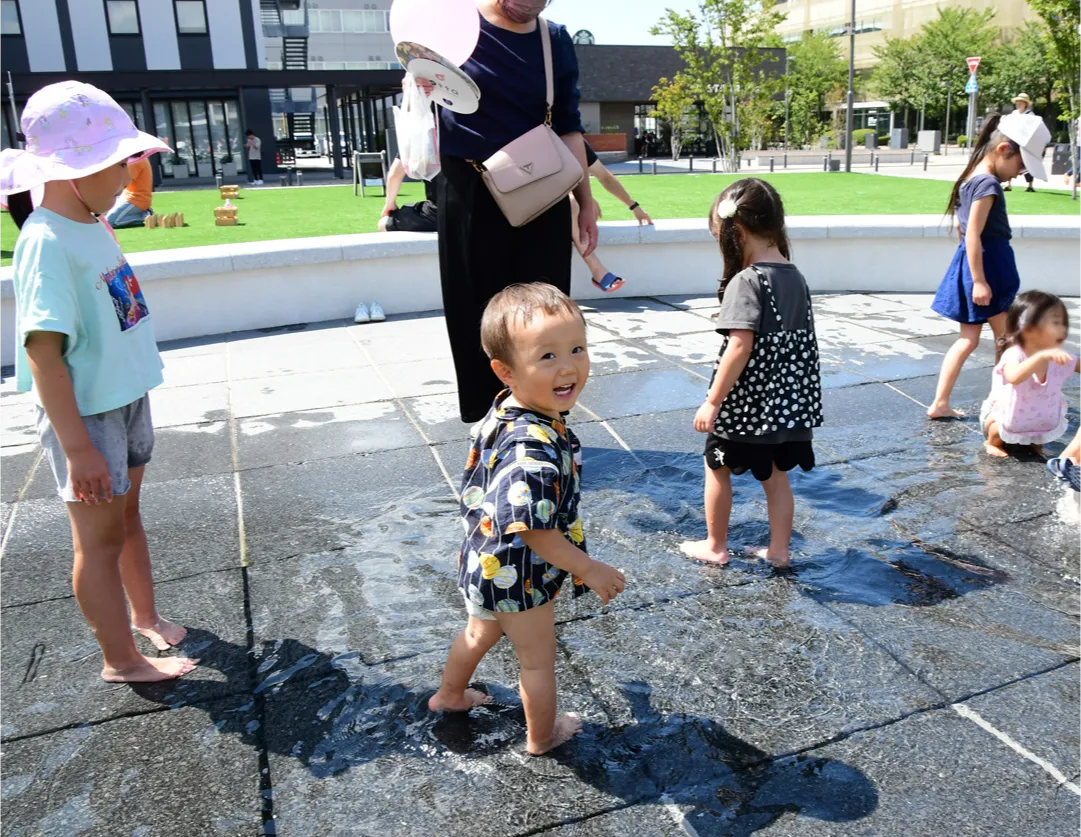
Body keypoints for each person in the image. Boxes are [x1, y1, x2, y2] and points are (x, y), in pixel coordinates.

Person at [0, 81, 197, 683]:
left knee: (126, 519)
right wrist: (78, 447)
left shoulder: (89, 222)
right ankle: (121, 660)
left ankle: (144, 616)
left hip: (124, 397)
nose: (130, 175)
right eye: (118, 163)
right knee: (98, 541)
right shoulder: (47, 242)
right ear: (73, 170)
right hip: (88, 416)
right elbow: (42, 354)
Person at [428, 283, 625, 755]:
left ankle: (449, 695)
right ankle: (543, 737)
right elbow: (533, 529)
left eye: (577, 348)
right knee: (538, 663)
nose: (568, 366)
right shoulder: (530, 449)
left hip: (484, 561)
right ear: (506, 371)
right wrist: (587, 567)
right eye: (548, 356)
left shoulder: (510, 407)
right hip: (520, 575)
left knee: (479, 631)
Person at [430, 0, 599, 423]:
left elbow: (568, 123)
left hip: (541, 191)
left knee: (547, 317)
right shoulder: (450, 24)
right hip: (468, 192)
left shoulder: (552, 38)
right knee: (475, 315)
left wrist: (586, 200)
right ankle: (492, 427)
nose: (533, 6)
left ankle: (548, 422)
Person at [679, 179, 822, 569]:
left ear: (736, 232)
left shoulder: (747, 280)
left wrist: (713, 400)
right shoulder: (794, 274)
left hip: (746, 406)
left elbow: (740, 347)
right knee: (776, 477)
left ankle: (715, 545)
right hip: (784, 406)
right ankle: (779, 552)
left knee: (716, 467)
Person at [927, 111, 1051, 420]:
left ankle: (941, 403)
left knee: (969, 339)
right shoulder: (987, 184)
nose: (1020, 172)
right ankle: (1002, 400)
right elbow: (972, 233)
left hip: (975, 268)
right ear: (1004, 149)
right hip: (989, 270)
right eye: (1021, 165)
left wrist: (972, 275)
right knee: (1007, 341)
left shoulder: (971, 179)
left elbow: (963, 230)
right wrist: (980, 280)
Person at [982, 291, 1081, 458]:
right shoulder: (1014, 354)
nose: (1061, 328)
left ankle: (1032, 441)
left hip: (1038, 416)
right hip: (1007, 414)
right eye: (1054, 323)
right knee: (999, 427)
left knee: (1038, 427)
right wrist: (1040, 357)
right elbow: (1014, 377)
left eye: (1062, 322)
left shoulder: (1058, 356)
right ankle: (992, 442)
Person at [569, 142, 654, 292]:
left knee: (575, 205)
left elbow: (604, 177)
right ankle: (598, 271)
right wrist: (580, 197)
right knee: (573, 204)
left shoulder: (570, 139)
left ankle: (599, 273)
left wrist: (634, 206)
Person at [378, 156, 439, 233]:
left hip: (438, 212)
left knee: (383, 223)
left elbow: (395, 174)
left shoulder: (418, 144)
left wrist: (389, 203)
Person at [104, 157, 155, 228]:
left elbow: (123, 183)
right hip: (126, 197)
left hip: (136, 200)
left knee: (111, 221)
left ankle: (146, 217)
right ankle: (143, 214)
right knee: (104, 213)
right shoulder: (134, 159)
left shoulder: (135, 161)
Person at [1005, 95, 1038, 193]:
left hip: (1024, 141)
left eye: (1020, 102)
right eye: (1017, 102)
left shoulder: (1030, 115)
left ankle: (1030, 185)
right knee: (1009, 160)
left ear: (1025, 104)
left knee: (1026, 162)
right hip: (1013, 139)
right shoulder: (1014, 113)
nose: (1018, 104)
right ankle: (1008, 184)